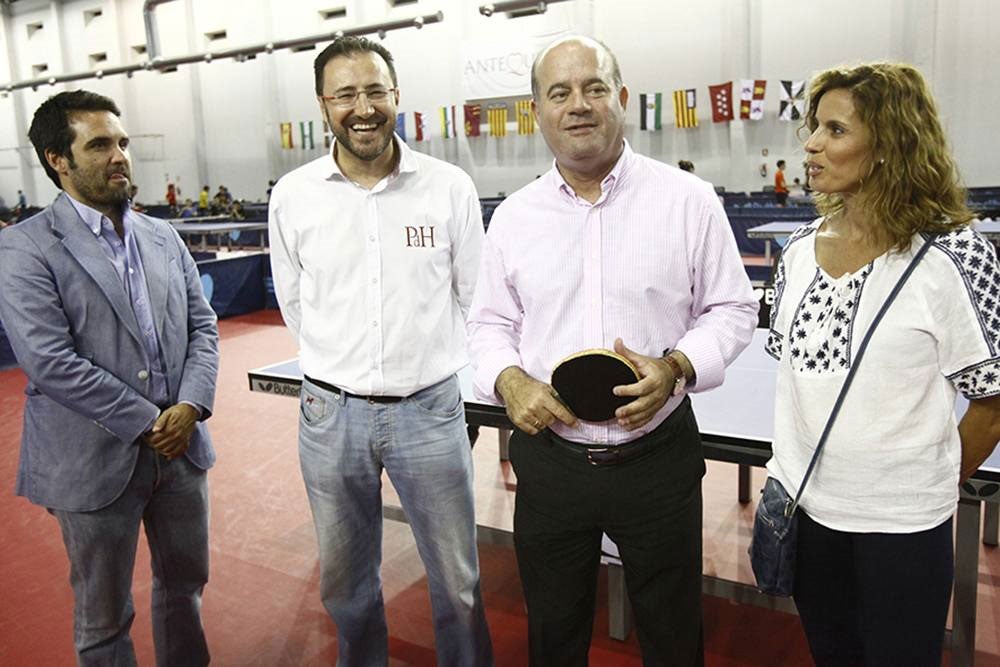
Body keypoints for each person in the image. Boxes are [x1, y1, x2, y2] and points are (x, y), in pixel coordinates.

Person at [467, 36, 758, 665]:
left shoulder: (688, 201)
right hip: (551, 465)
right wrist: (510, 381)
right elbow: (488, 324)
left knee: (674, 631)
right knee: (554, 632)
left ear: (622, 99)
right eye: (560, 92)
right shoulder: (514, 218)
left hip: (658, 459)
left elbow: (734, 309)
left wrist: (679, 366)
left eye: (595, 87)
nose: (579, 105)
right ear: (536, 112)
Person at [765, 62, 1000, 666]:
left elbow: (994, 402)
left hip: (903, 532)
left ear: (890, 147)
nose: (811, 144)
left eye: (835, 130)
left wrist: (918, 485)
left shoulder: (955, 256)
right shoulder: (793, 254)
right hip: (807, 516)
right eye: (814, 127)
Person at [268, 36, 493, 665]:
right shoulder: (293, 196)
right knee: (345, 584)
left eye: (374, 91)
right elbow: (295, 304)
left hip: (431, 411)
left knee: (459, 582)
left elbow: (474, 299)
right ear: (323, 105)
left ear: (396, 96)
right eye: (345, 94)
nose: (361, 107)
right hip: (329, 415)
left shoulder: (448, 188)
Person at [0, 90, 219, 665]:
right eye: (99, 145)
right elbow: (50, 360)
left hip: (182, 452)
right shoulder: (24, 249)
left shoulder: (163, 237)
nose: (119, 155)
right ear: (58, 160)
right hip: (91, 461)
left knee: (185, 591)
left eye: (121, 142)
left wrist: (191, 406)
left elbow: (203, 327)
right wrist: (152, 422)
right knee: (103, 619)